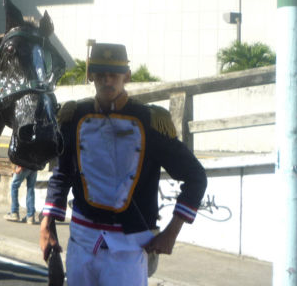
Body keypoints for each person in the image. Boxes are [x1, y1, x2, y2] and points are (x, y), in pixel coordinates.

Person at [39, 43, 207, 286]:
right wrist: (48, 222)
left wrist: (172, 231)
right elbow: (62, 173)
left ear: (126, 76)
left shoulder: (150, 121)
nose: (107, 81)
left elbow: (196, 176)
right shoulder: (74, 115)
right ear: (91, 76)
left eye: (114, 75)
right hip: (82, 240)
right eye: (100, 75)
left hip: (130, 246)